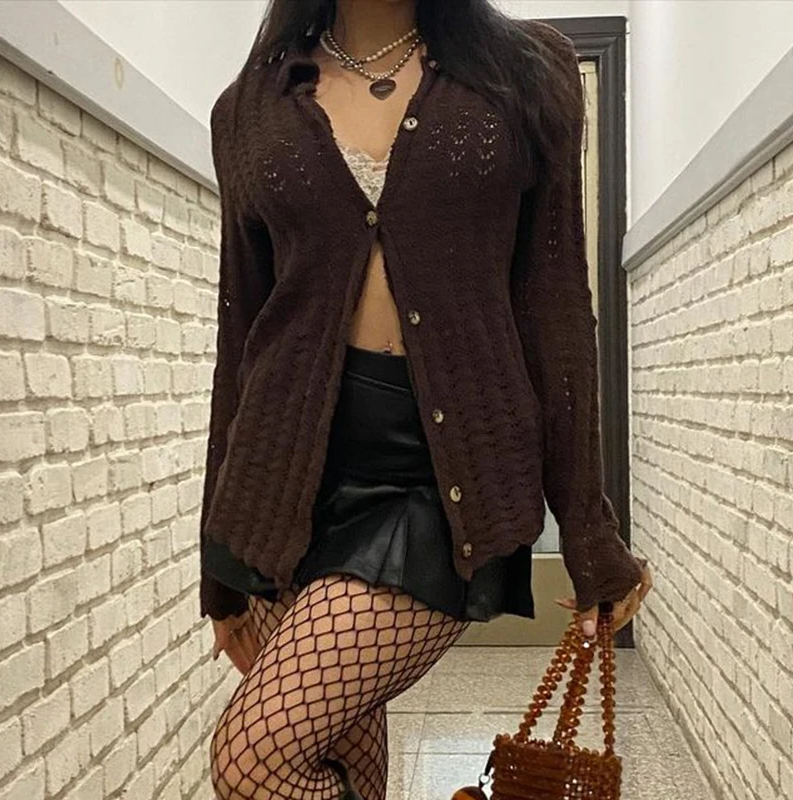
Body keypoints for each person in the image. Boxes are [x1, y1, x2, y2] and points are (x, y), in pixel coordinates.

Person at [201, 2, 653, 798]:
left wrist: (590, 532)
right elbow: (241, 335)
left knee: (255, 758)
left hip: (442, 479)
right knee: (342, 753)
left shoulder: (524, 70)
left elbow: (554, 309)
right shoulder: (249, 106)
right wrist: (219, 568)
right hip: (282, 479)